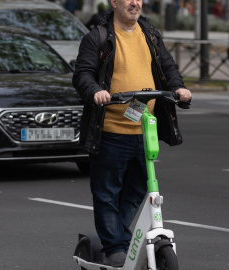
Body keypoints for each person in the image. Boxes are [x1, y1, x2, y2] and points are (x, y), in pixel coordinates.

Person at [72, 0, 191, 267]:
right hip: (111, 129)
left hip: (143, 127)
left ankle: (117, 238)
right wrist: (95, 91)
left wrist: (179, 88)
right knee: (107, 192)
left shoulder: (150, 34)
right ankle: (114, 246)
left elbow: (168, 68)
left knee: (138, 188)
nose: (135, 3)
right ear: (114, 2)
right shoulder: (98, 37)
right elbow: (83, 75)